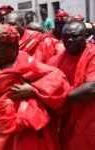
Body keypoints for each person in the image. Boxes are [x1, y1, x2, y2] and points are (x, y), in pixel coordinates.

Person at [47, 20, 95, 150]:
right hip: (65, 121)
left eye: (75, 36)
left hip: (89, 119)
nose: (69, 40)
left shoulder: (93, 54)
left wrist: (57, 99)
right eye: (65, 37)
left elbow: (92, 88)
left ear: (85, 36)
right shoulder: (54, 61)